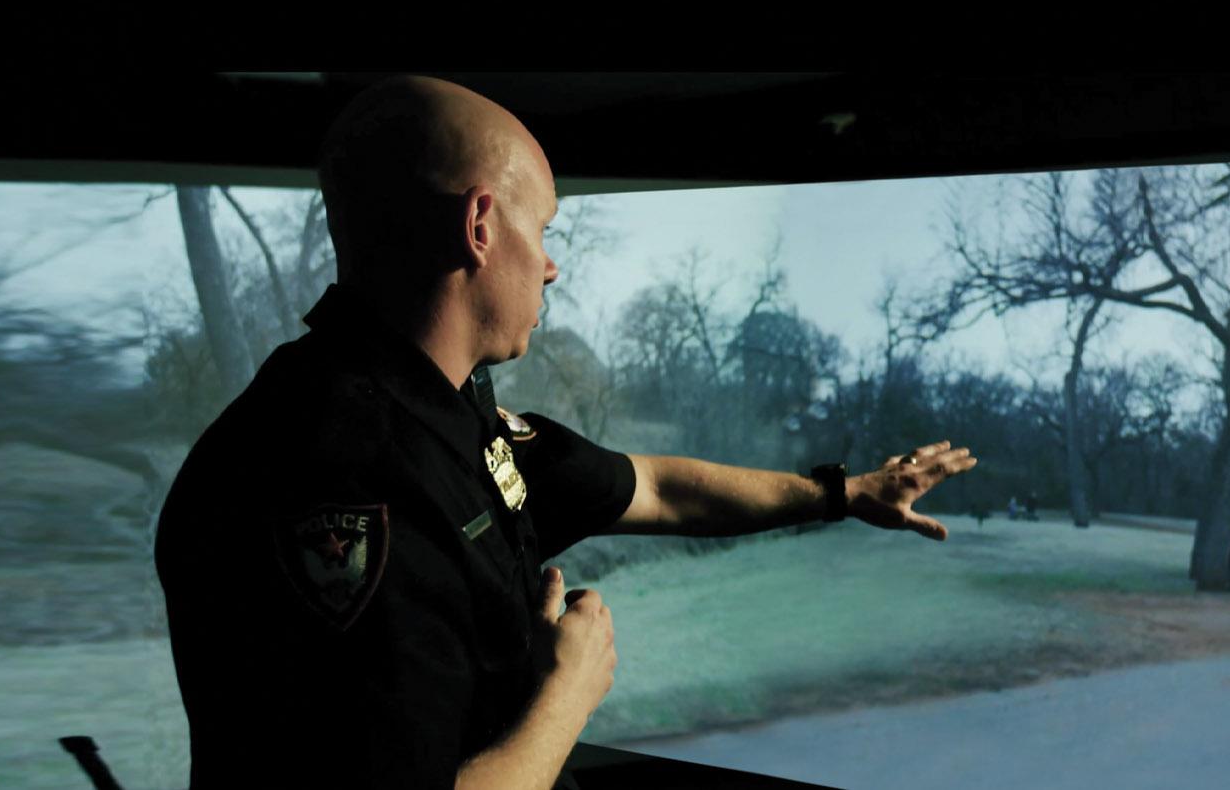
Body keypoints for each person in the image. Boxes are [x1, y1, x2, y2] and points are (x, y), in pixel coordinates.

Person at [152, 75, 980, 789]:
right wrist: (569, 690)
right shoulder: (339, 476)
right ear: (480, 226)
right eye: (542, 228)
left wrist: (846, 492)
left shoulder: (450, 413)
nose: (551, 262)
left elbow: (655, 488)